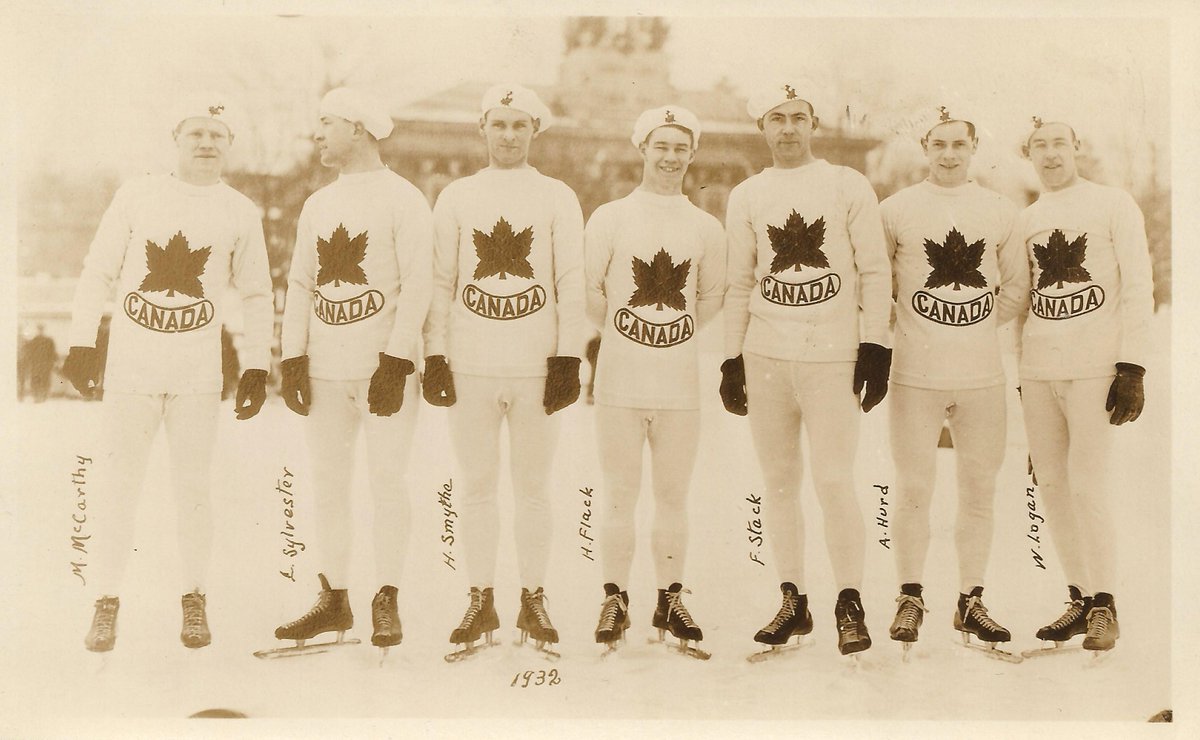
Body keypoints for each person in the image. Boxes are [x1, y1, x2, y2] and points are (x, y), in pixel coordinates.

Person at [62, 96, 274, 652]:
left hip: (195, 377)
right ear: (176, 138)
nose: (207, 143)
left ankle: (194, 598)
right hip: (130, 371)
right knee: (117, 488)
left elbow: (256, 293)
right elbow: (97, 270)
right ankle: (105, 601)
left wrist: (256, 365)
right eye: (196, 133)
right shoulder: (138, 194)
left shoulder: (240, 210)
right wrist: (82, 342)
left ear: (229, 145)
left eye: (217, 135)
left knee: (194, 491)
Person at [721, 80, 892, 657]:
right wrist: (731, 357)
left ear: (814, 124)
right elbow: (740, 281)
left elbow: (873, 270)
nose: (788, 128)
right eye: (777, 118)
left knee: (835, 479)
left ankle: (849, 600)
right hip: (768, 357)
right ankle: (793, 600)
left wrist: (876, 345)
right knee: (778, 484)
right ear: (762, 128)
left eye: (798, 117)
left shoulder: (847, 184)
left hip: (832, 356)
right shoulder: (747, 193)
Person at [422, 83, 584, 659]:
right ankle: (480, 595)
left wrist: (568, 354)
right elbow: (441, 281)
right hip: (472, 364)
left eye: (519, 125)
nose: (509, 135)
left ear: (534, 131)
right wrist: (435, 352)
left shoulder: (557, 196)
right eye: (499, 125)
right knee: (476, 486)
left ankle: (533, 596)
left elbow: (570, 280)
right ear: (483, 130)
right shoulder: (458, 197)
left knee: (534, 488)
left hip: (536, 365)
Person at [274, 87, 432, 656]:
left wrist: (396, 358)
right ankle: (334, 596)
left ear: (359, 128)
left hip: (382, 373)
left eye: (326, 122)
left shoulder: (404, 198)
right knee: (329, 488)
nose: (317, 134)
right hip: (326, 371)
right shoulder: (319, 204)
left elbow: (418, 283)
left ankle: (385, 594)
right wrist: (293, 356)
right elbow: (299, 283)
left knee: (387, 483)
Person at [879, 107, 1025, 656]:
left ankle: (971, 598)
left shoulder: (998, 210)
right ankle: (910, 596)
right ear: (924, 148)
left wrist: (973, 326)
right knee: (914, 487)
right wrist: (915, 327)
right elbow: (882, 285)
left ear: (973, 147)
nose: (947, 154)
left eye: (958, 145)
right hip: (916, 375)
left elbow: (1015, 287)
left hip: (981, 376)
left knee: (979, 489)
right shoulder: (896, 210)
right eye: (937, 144)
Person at [584, 106, 725, 655]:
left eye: (680, 148)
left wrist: (670, 334)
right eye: (660, 146)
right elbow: (592, 292)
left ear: (692, 155)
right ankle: (614, 596)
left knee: (672, 495)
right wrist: (628, 332)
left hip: (678, 385)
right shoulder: (611, 217)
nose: (670, 157)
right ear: (643, 149)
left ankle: (670, 596)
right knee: (619, 493)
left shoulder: (704, 225)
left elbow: (709, 299)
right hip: (620, 381)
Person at [1014, 116, 1154, 653]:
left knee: (1087, 484)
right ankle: (1078, 597)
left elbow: (1139, 285)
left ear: (1077, 147)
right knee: (1050, 484)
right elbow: (1021, 305)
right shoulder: (1027, 218)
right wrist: (1021, 382)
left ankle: (1106, 604)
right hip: (1040, 370)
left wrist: (1132, 366)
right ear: (1029, 154)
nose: (1050, 155)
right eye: (1039, 146)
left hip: (1095, 368)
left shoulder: (1112, 203)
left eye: (1059, 144)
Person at [25, 323, 57, 402]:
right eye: (39, 329)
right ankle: (36, 397)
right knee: (36, 380)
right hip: (36, 365)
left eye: (41, 329)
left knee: (44, 380)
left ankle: (43, 396)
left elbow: (52, 353)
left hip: (45, 365)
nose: (40, 331)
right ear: (37, 330)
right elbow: (29, 354)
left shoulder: (49, 341)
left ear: (43, 330)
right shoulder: (33, 341)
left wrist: (52, 363)